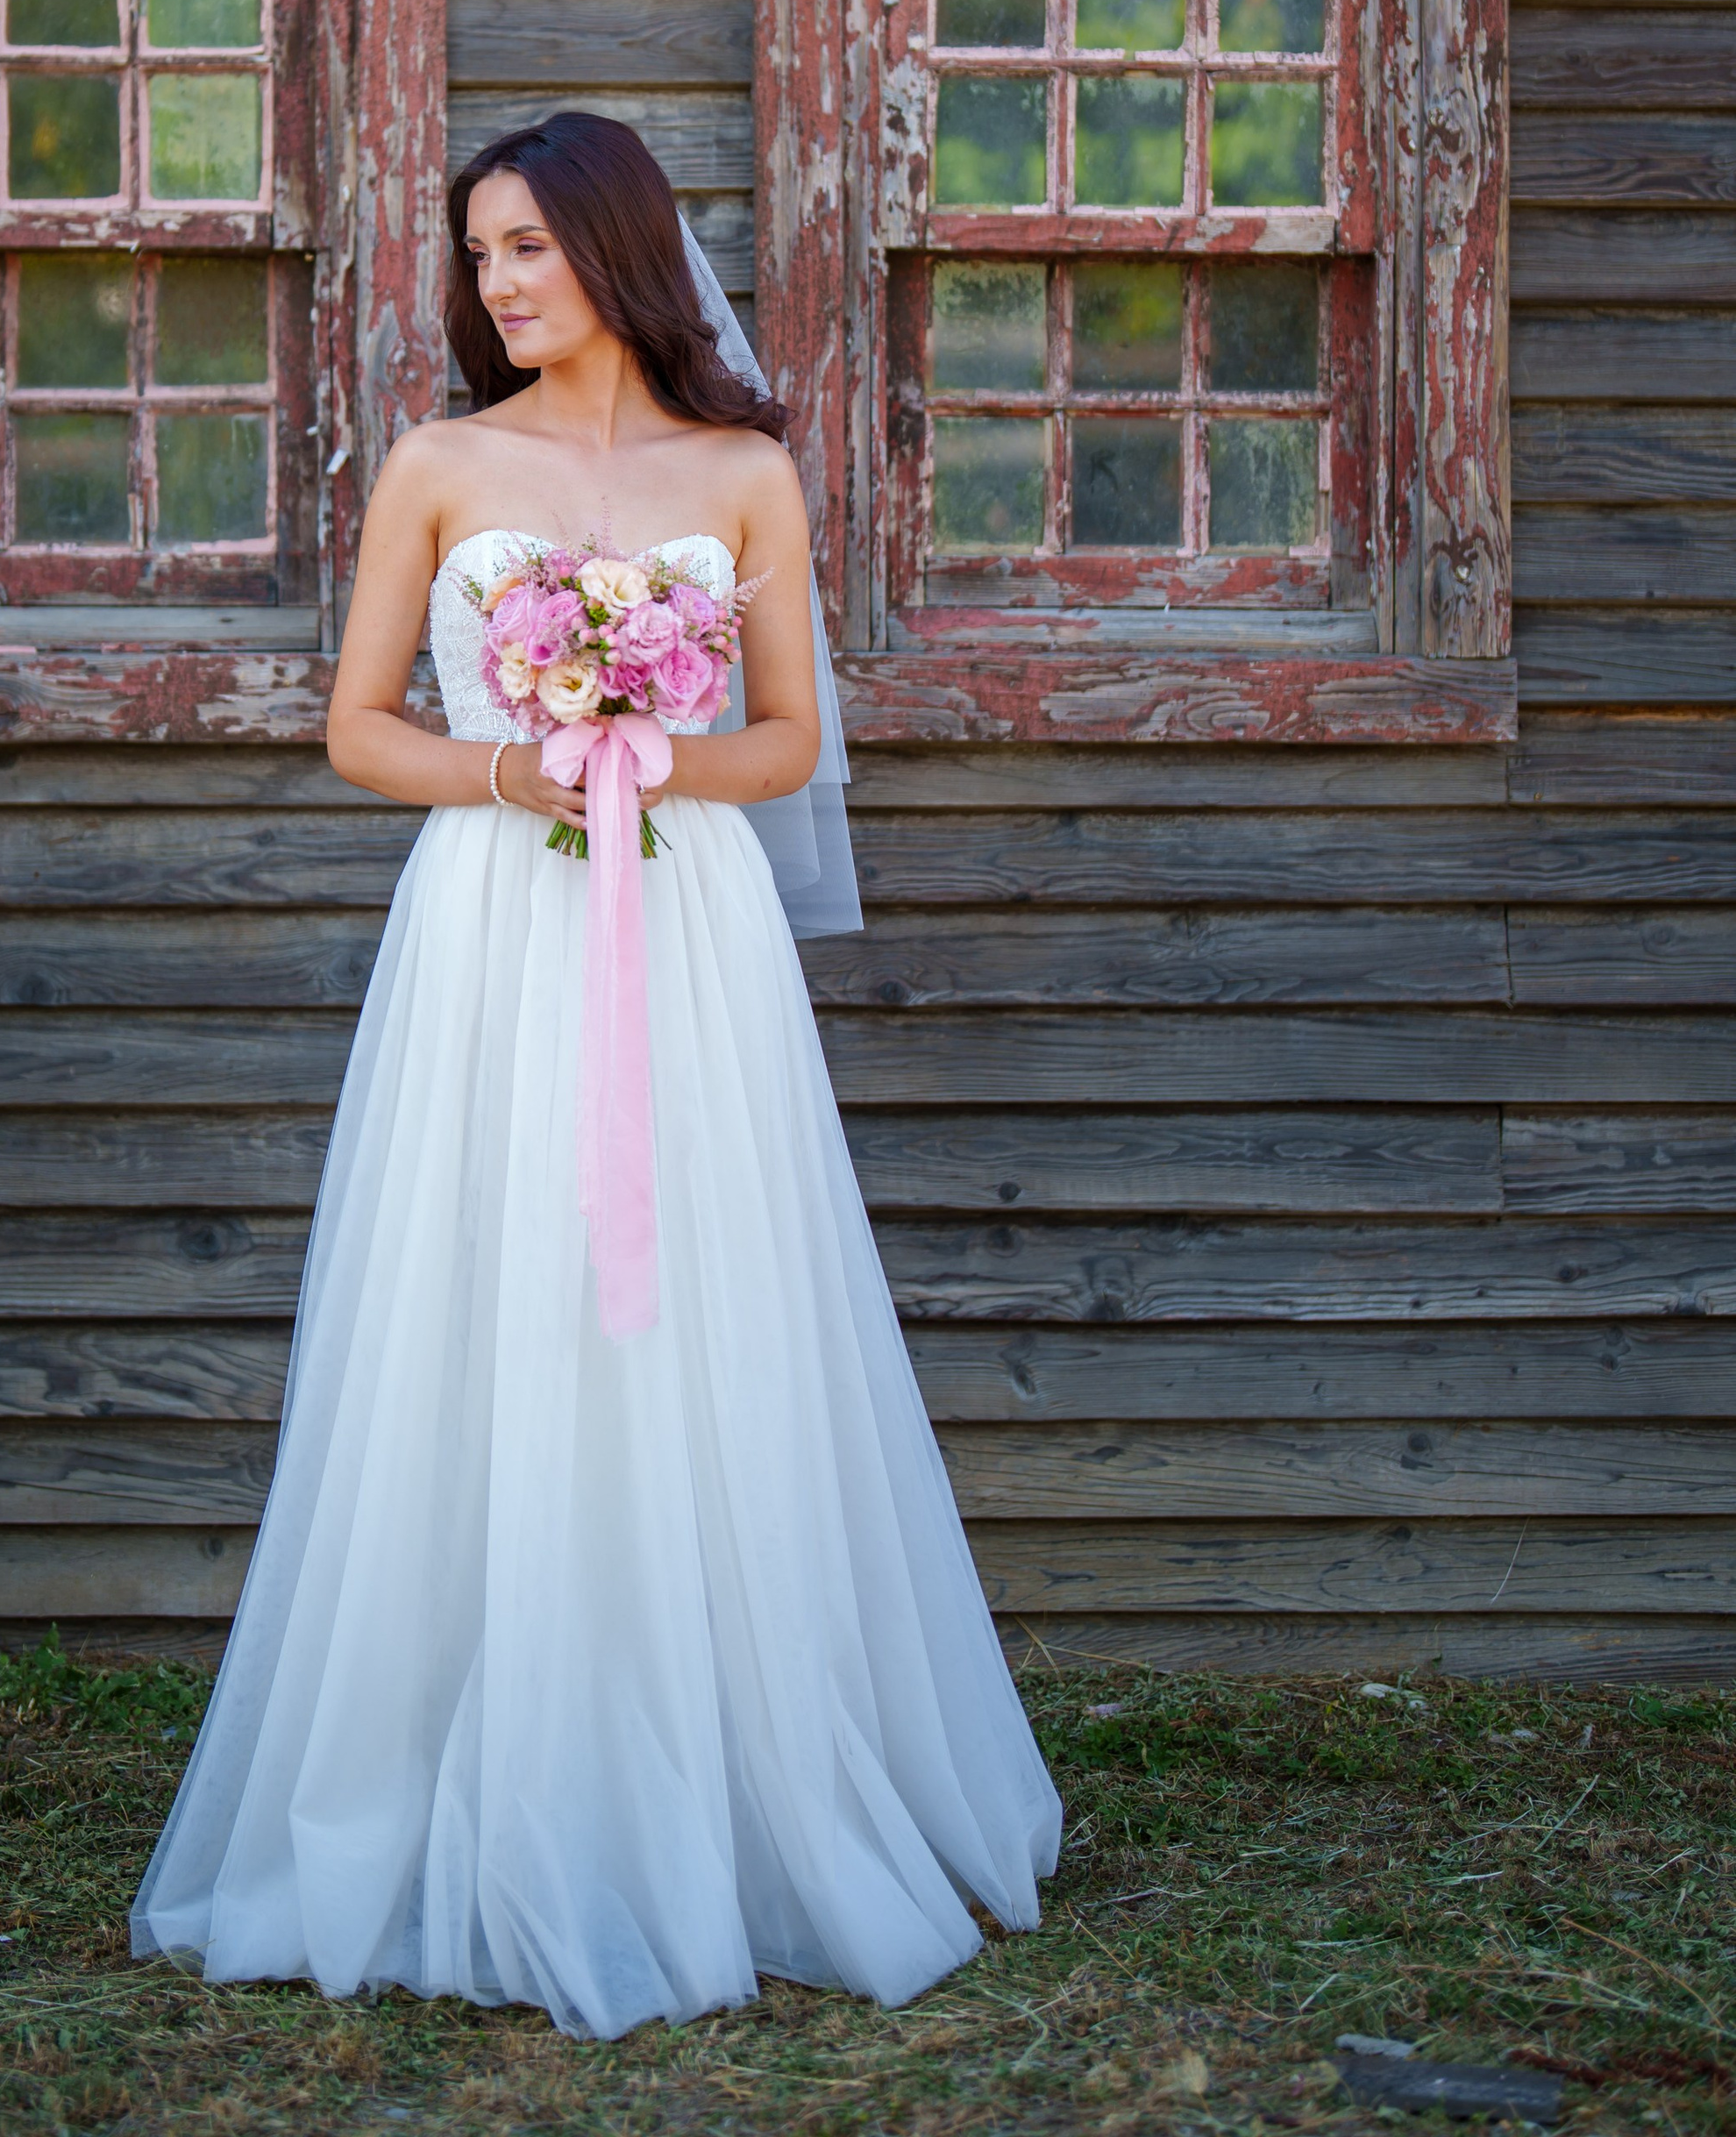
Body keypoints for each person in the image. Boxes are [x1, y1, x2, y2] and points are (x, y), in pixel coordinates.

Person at [132, 110, 1061, 2038]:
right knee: (488, 1296)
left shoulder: (744, 475)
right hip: (492, 922)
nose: (500, 283)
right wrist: (522, 764)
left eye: (531, 247)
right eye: (479, 256)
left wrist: (645, 755)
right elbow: (354, 726)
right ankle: (460, 1761)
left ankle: (728, 1777)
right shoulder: (439, 465)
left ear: (617, 250)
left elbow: (792, 737)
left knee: (698, 1311)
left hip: (689, 930)